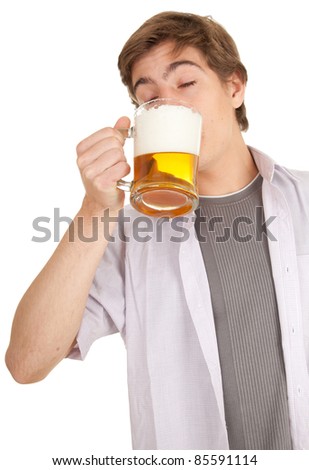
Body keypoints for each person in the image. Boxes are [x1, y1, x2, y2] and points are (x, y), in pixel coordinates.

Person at [5, 11, 309, 450]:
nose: (170, 106)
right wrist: (95, 207)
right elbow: (26, 363)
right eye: (149, 97)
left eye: (186, 84)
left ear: (234, 87)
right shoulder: (129, 235)